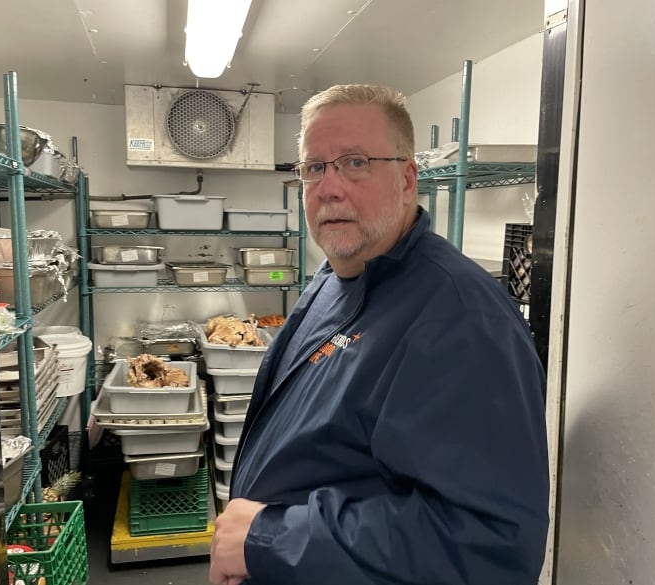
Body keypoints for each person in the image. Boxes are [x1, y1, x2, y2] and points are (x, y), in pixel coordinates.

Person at [209, 84, 549, 585]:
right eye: (314, 168)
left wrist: (266, 537)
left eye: (355, 162)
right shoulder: (336, 275)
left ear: (408, 179)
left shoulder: (461, 321)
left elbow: (488, 543)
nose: (329, 187)